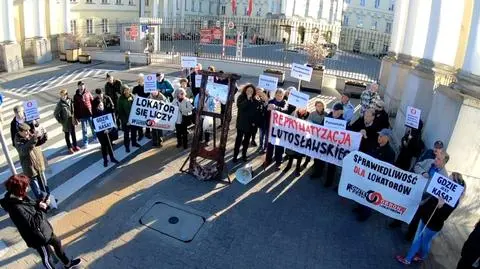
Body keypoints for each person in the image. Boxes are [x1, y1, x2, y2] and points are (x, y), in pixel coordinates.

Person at [0, 174, 81, 269]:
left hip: (44, 229)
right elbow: (33, 224)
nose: (27, 188)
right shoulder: (15, 208)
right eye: (25, 186)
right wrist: (41, 209)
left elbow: (33, 206)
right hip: (37, 237)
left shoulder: (22, 197)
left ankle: (67, 263)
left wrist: (41, 203)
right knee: (47, 258)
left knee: (57, 243)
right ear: (19, 189)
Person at [396, 172, 466, 265]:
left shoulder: (454, 200)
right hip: (424, 218)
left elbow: (443, 217)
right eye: (448, 178)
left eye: (450, 180)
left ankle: (408, 259)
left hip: (432, 226)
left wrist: (440, 206)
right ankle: (421, 256)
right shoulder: (439, 189)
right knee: (422, 241)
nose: (447, 180)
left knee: (421, 241)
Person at [355, 128, 396, 222]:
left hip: (376, 179)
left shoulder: (390, 153)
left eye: (381, 136)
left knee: (369, 196)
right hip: (366, 175)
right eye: (379, 135)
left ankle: (365, 214)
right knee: (362, 192)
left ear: (387, 138)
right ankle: (359, 208)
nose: (379, 138)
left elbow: (388, 168)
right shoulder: (375, 145)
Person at [14, 123, 48, 201]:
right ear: (20, 131)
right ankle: (41, 201)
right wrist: (34, 139)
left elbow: (40, 142)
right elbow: (23, 151)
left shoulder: (30, 135)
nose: (28, 132)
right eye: (26, 131)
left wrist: (44, 134)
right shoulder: (18, 141)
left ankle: (48, 199)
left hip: (39, 164)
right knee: (36, 188)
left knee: (44, 184)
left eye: (28, 130)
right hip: (30, 169)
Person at [318, 103, 345, 187]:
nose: (334, 111)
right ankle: (318, 173)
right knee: (320, 159)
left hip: (334, 146)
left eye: (336, 110)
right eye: (334, 109)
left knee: (331, 164)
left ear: (341, 112)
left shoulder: (343, 122)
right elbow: (321, 128)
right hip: (325, 143)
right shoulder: (327, 118)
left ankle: (329, 181)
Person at [233, 84, 259, 162]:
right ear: (245, 90)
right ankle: (235, 156)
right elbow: (240, 107)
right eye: (248, 90)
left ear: (253, 92)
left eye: (251, 91)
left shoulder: (255, 100)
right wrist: (247, 100)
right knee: (238, 141)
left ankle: (244, 155)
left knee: (246, 141)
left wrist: (254, 122)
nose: (249, 92)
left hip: (250, 125)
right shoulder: (241, 97)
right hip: (241, 123)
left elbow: (256, 112)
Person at [264, 88, 288, 170]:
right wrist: (266, 109)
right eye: (278, 95)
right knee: (270, 144)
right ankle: (268, 159)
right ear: (275, 95)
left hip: (280, 128)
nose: (279, 97)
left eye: (281, 96)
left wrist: (276, 108)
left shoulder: (285, 103)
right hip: (270, 126)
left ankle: (278, 161)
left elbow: (285, 111)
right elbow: (265, 113)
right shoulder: (270, 101)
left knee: (279, 145)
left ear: (283, 96)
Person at [93, 99, 119, 167]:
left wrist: (109, 130)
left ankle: (112, 158)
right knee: (104, 147)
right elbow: (95, 126)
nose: (101, 107)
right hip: (101, 134)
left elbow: (111, 123)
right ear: (96, 107)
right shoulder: (95, 115)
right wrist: (102, 131)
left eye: (101, 105)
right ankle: (105, 160)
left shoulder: (107, 112)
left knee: (110, 145)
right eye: (99, 106)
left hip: (108, 132)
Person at [284, 108, 310, 176]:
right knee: (291, 153)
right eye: (301, 108)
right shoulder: (294, 113)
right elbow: (288, 121)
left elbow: (311, 127)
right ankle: (289, 166)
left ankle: (297, 169)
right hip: (293, 138)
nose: (302, 110)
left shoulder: (308, 115)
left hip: (302, 139)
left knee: (299, 155)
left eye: (304, 108)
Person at [54, 89, 80, 154]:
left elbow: (73, 109)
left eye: (64, 95)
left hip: (72, 120)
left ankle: (75, 145)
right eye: (62, 95)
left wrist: (75, 117)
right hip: (65, 122)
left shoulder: (70, 100)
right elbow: (55, 114)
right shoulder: (60, 104)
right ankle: (69, 148)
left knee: (73, 133)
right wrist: (61, 121)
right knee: (67, 135)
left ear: (66, 95)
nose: (63, 96)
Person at [73, 81, 96, 148]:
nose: (82, 86)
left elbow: (92, 101)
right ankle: (85, 142)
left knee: (93, 127)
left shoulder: (88, 93)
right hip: (82, 115)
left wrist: (95, 111)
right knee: (84, 130)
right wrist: (77, 117)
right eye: (80, 85)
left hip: (90, 113)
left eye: (83, 85)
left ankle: (95, 138)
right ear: (78, 86)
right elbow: (75, 107)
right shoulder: (76, 96)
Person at [118, 85, 140, 153]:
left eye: (128, 89)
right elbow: (120, 112)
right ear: (122, 91)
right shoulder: (120, 99)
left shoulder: (132, 96)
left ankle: (134, 142)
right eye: (125, 90)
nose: (127, 91)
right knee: (126, 134)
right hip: (126, 121)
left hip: (133, 119)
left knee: (134, 132)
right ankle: (127, 146)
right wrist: (126, 121)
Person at [308, 100, 327, 179]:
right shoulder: (312, 114)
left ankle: (320, 170)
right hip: (314, 137)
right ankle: (316, 168)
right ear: (315, 106)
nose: (319, 107)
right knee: (315, 154)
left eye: (321, 106)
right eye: (317, 106)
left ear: (323, 106)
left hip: (323, 138)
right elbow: (308, 123)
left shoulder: (327, 115)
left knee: (321, 155)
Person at [132, 73, 151, 140]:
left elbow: (150, 95)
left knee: (147, 120)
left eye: (142, 79)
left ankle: (148, 133)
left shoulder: (148, 86)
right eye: (139, 79)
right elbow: (133, 96)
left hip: (147, 106)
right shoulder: (135, 88)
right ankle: (140, 134)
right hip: (139, 107)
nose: (140, 80)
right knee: (139, 121)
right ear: (138, 80)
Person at [256, 88, 270, 153]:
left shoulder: (271, 103)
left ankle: (265, 147)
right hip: (261, 123)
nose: (264, 97)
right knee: (261, 135)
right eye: (263, 95)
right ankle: (260, 145)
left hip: (268, 123)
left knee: (267, 137)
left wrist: (267, 105)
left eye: (265, 95)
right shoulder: (260, 102)